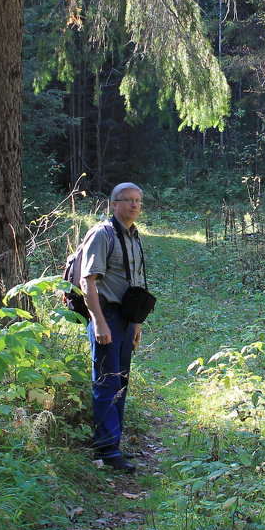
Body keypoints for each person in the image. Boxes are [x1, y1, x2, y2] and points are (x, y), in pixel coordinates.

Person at [79, 182, 146, 471]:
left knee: (120, 381)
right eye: (127, 200)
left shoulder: (134, 236)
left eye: (138, 201)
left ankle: (113, 445)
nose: (133, 205)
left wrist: (137, 322)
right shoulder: (102, 234)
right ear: (113, 204)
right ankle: (105, 450)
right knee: (107, 381)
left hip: (127, 318)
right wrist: (99, 322)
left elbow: (136, 280)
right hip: (106, 315)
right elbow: (88, 281)